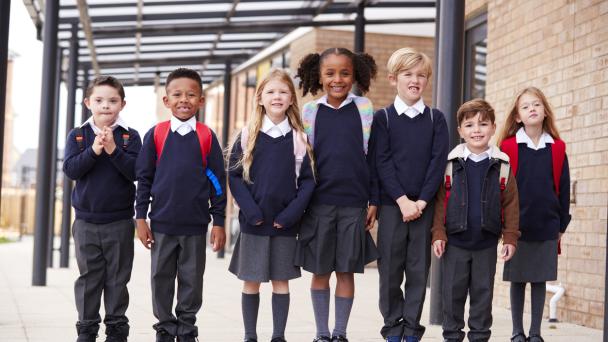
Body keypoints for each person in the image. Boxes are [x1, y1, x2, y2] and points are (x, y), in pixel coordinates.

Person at [294, 47, 379, 342]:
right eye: (330, 73)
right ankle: (321, 333)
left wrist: (374, 201)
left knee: (346, 272)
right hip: (319, 206)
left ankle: (340, 333)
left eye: (344, 73)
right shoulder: (310, 112)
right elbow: (305, 161)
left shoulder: (365, 108)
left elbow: (372, 159)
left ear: (354, 74)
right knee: (320, 271)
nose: (337, 79)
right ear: (319, 76)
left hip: (354, 205)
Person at [135, 68, 226, 342]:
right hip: (161, 225)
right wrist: (140, 218)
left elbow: (218, 183)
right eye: (177, 94)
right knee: (161, 278)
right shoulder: (156, 135)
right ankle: (165, 327)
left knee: (191, 280)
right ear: (166, 100)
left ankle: (187, 329)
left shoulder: (207, 137)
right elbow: (144, 179)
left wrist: (219, 221)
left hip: (195, 226)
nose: (183, 99)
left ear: (201, 101)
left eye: (191, 94)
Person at [227, 68, 316, 342]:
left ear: (291, 99)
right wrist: (250, 212)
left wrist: (291, 215)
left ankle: (279, 336)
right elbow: (234, 178)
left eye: (283, 92)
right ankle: (250, 336)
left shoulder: (299, 139)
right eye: (271, 91)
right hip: (254, 222)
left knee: (281, 281)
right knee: (251, 281)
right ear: (260, 98)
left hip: (284, 224)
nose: (277, 96)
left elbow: (308, 183)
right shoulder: (246, 135)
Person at [372, 47, 449, 342]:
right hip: (393, 207)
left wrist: (420, 201)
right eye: (408, 74)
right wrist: (402, 200)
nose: (414, 80)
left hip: (423, 207)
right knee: (390, 269)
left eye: (421, 75)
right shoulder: (384, 119)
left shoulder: (435, 119)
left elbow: (437, 163)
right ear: (393, 79)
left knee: (419, 270)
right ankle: (393, 327)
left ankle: (412, 329)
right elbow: (382, 161)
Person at [431, 99, 520, 342]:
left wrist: (510, 237)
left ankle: (480, 337)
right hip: (455, 244)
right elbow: (440, 203)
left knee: (483, 295)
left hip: (486, 244)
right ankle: (452, 336)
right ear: (460, 131)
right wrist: (438, 233)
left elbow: (511, 204)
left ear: (492, 127)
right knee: (452, 295)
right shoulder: (450, 164)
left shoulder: (502, 166)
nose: (476, 130)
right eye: (469, 125)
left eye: (483, 124)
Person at [63, 76, 142, 342]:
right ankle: (86, 329)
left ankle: (117, 330)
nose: (105, 106)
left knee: (118, 279)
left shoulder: (130, 137)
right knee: (88, 278)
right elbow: (71, 169)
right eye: (99, 100)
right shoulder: (78, 135)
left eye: (112, 101)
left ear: (122, 104)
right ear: (88, 103)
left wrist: (112, 149)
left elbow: (136, 172)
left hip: (119, 222)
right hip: (85, 222)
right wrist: (95, 150)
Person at [498, 87, 571, 342]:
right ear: (517, 116)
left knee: (539, 280)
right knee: (518, 280)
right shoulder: (508, 147)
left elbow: (562, 188)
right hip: (517, 226)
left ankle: (535, 332)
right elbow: (501, 188)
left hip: (547, 224)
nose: (532, 109)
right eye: (526, 106)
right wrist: (503, 225)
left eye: (537, 104)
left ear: (544, 112)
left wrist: (562, 223)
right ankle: (517, 332)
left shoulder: (558, 148)